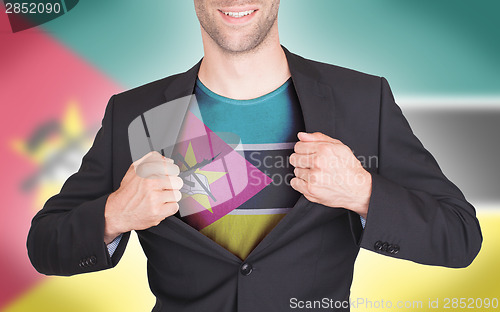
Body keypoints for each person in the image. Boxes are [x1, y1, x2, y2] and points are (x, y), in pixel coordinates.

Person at [27, 1, 482, 311]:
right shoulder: (137, 113)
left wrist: (363, 192)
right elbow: (45, 245)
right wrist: (114, 214)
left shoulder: (362, 100)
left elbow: (460, 237)